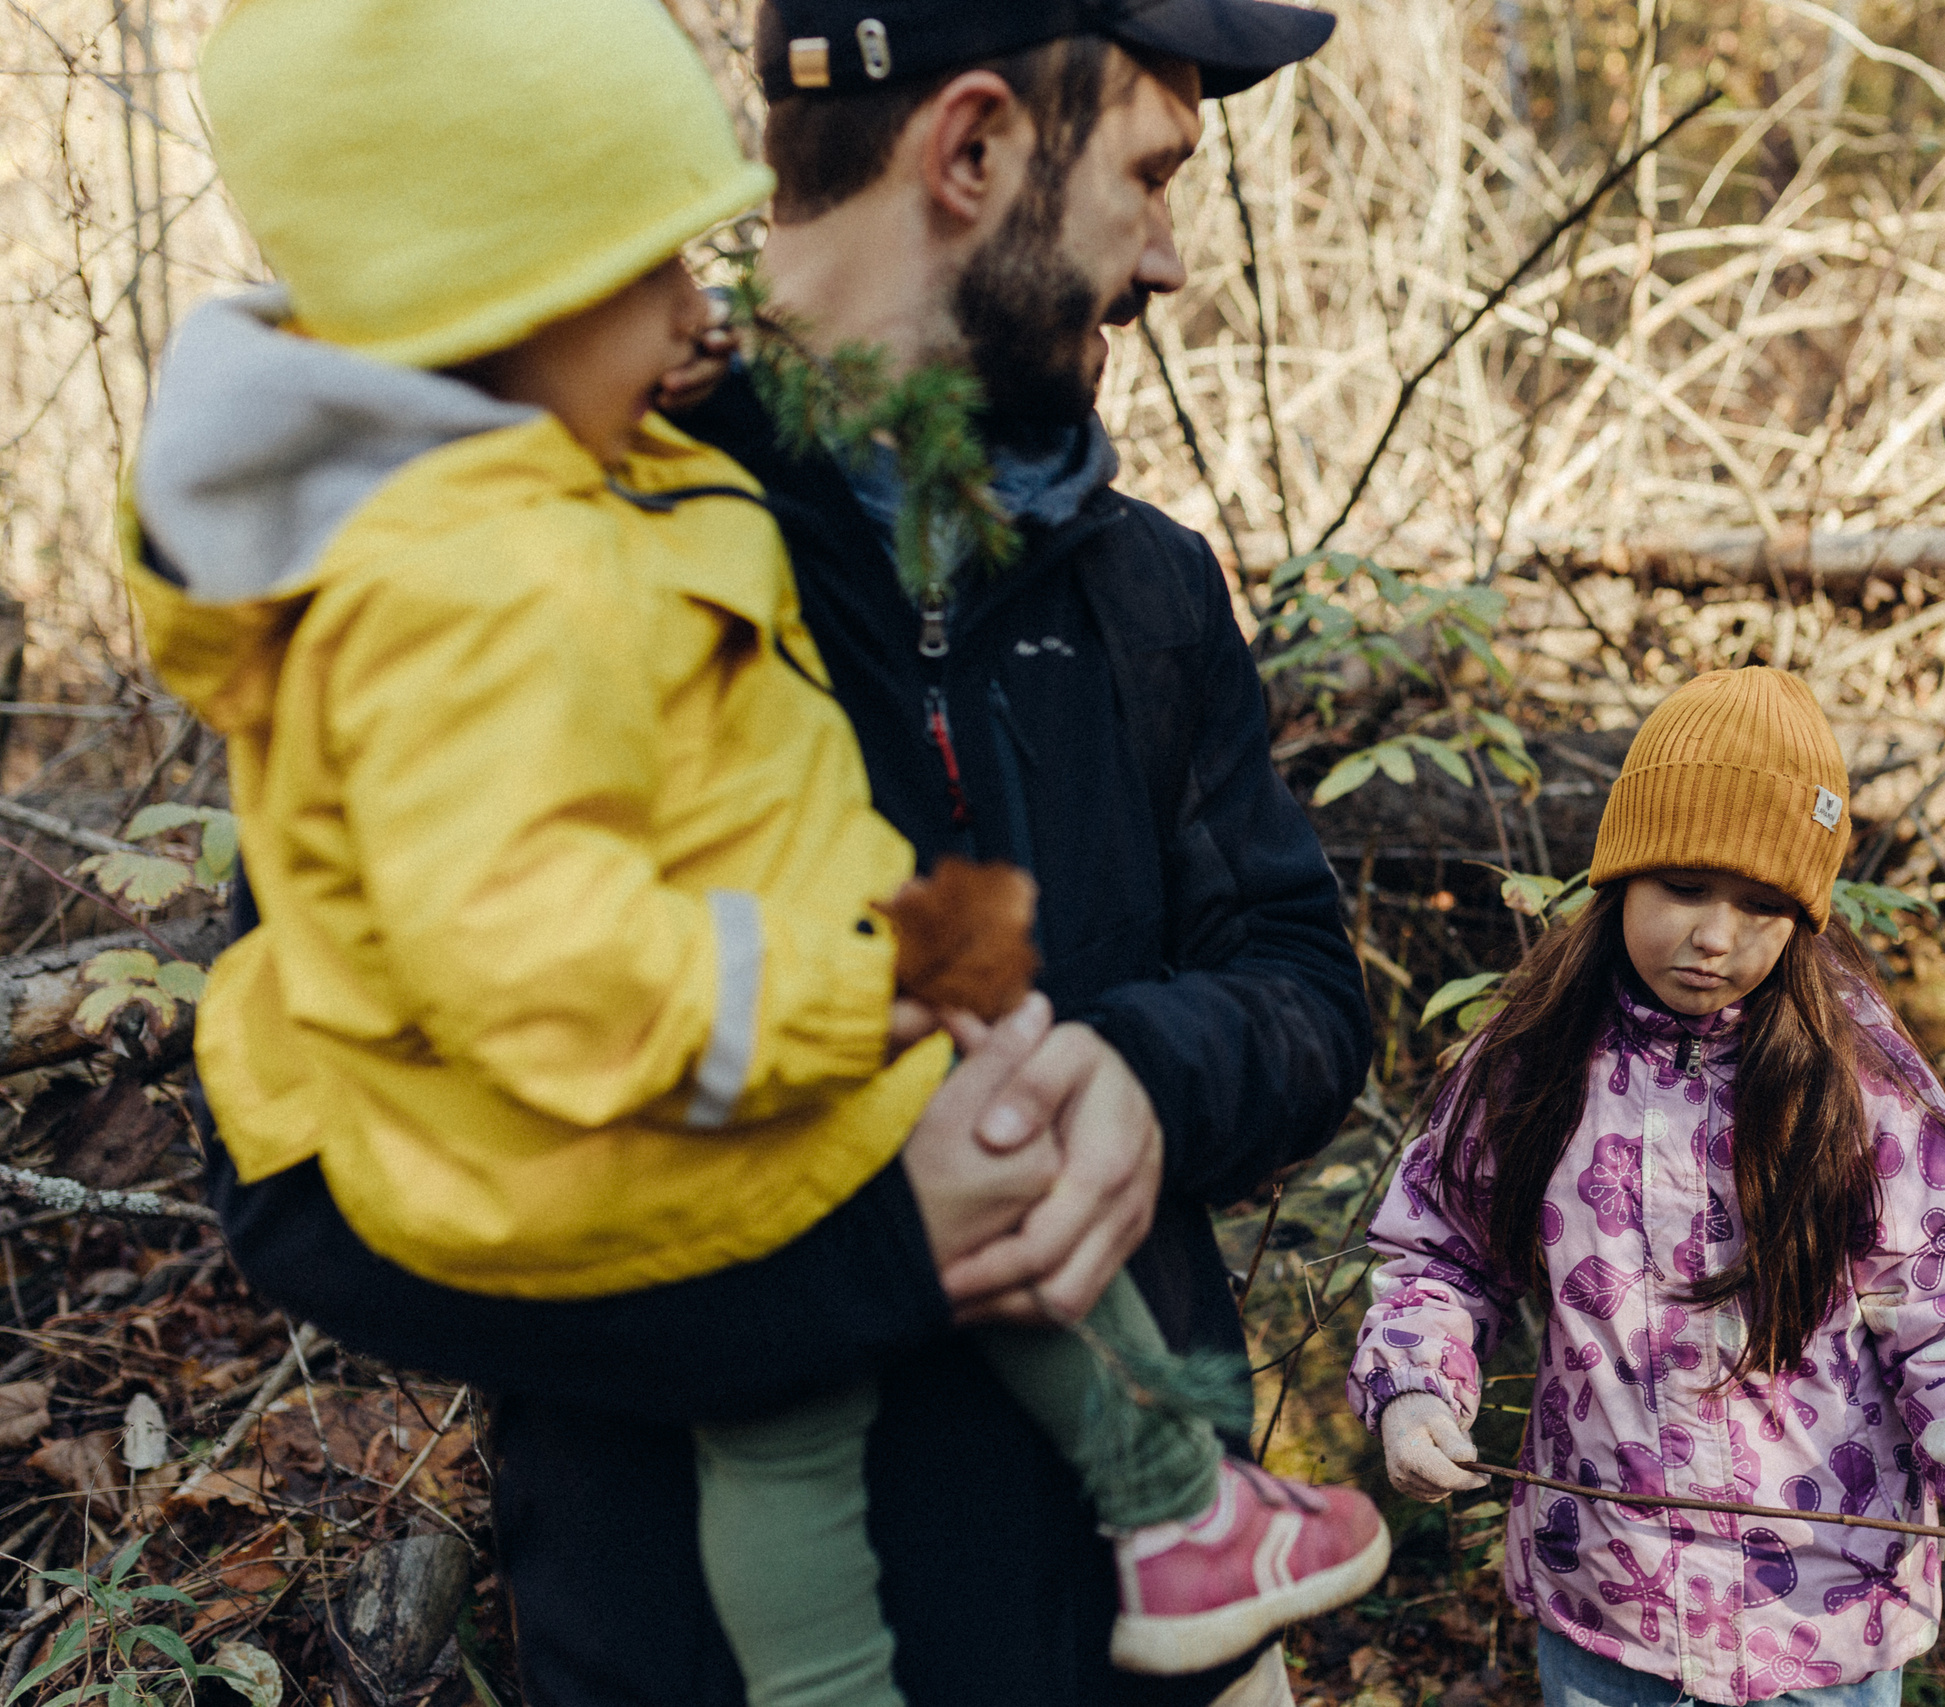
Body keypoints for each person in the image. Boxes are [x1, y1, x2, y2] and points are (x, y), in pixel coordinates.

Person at [122, 1, 1379, 1704]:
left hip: (1153, 1658)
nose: (1170, 258)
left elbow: (1301, 981)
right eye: (1151, 174)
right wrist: (853, 1253)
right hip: (695, 1653)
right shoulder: (537, 552)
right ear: (975, 148)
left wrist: (1147, 1077)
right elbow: (300, 1188)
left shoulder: (1143, 585)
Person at [1346, 668, 1945, 1707]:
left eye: (1760, 905)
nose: (1714, 936)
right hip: (1607, 1607)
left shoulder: (1858, 1083)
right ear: (1620, 875)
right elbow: (1440, 1248)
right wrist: (1413, 1387)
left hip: (1818, 1623)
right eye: (1682, 889)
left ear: (1802, 918)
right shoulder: (1533, 1058)